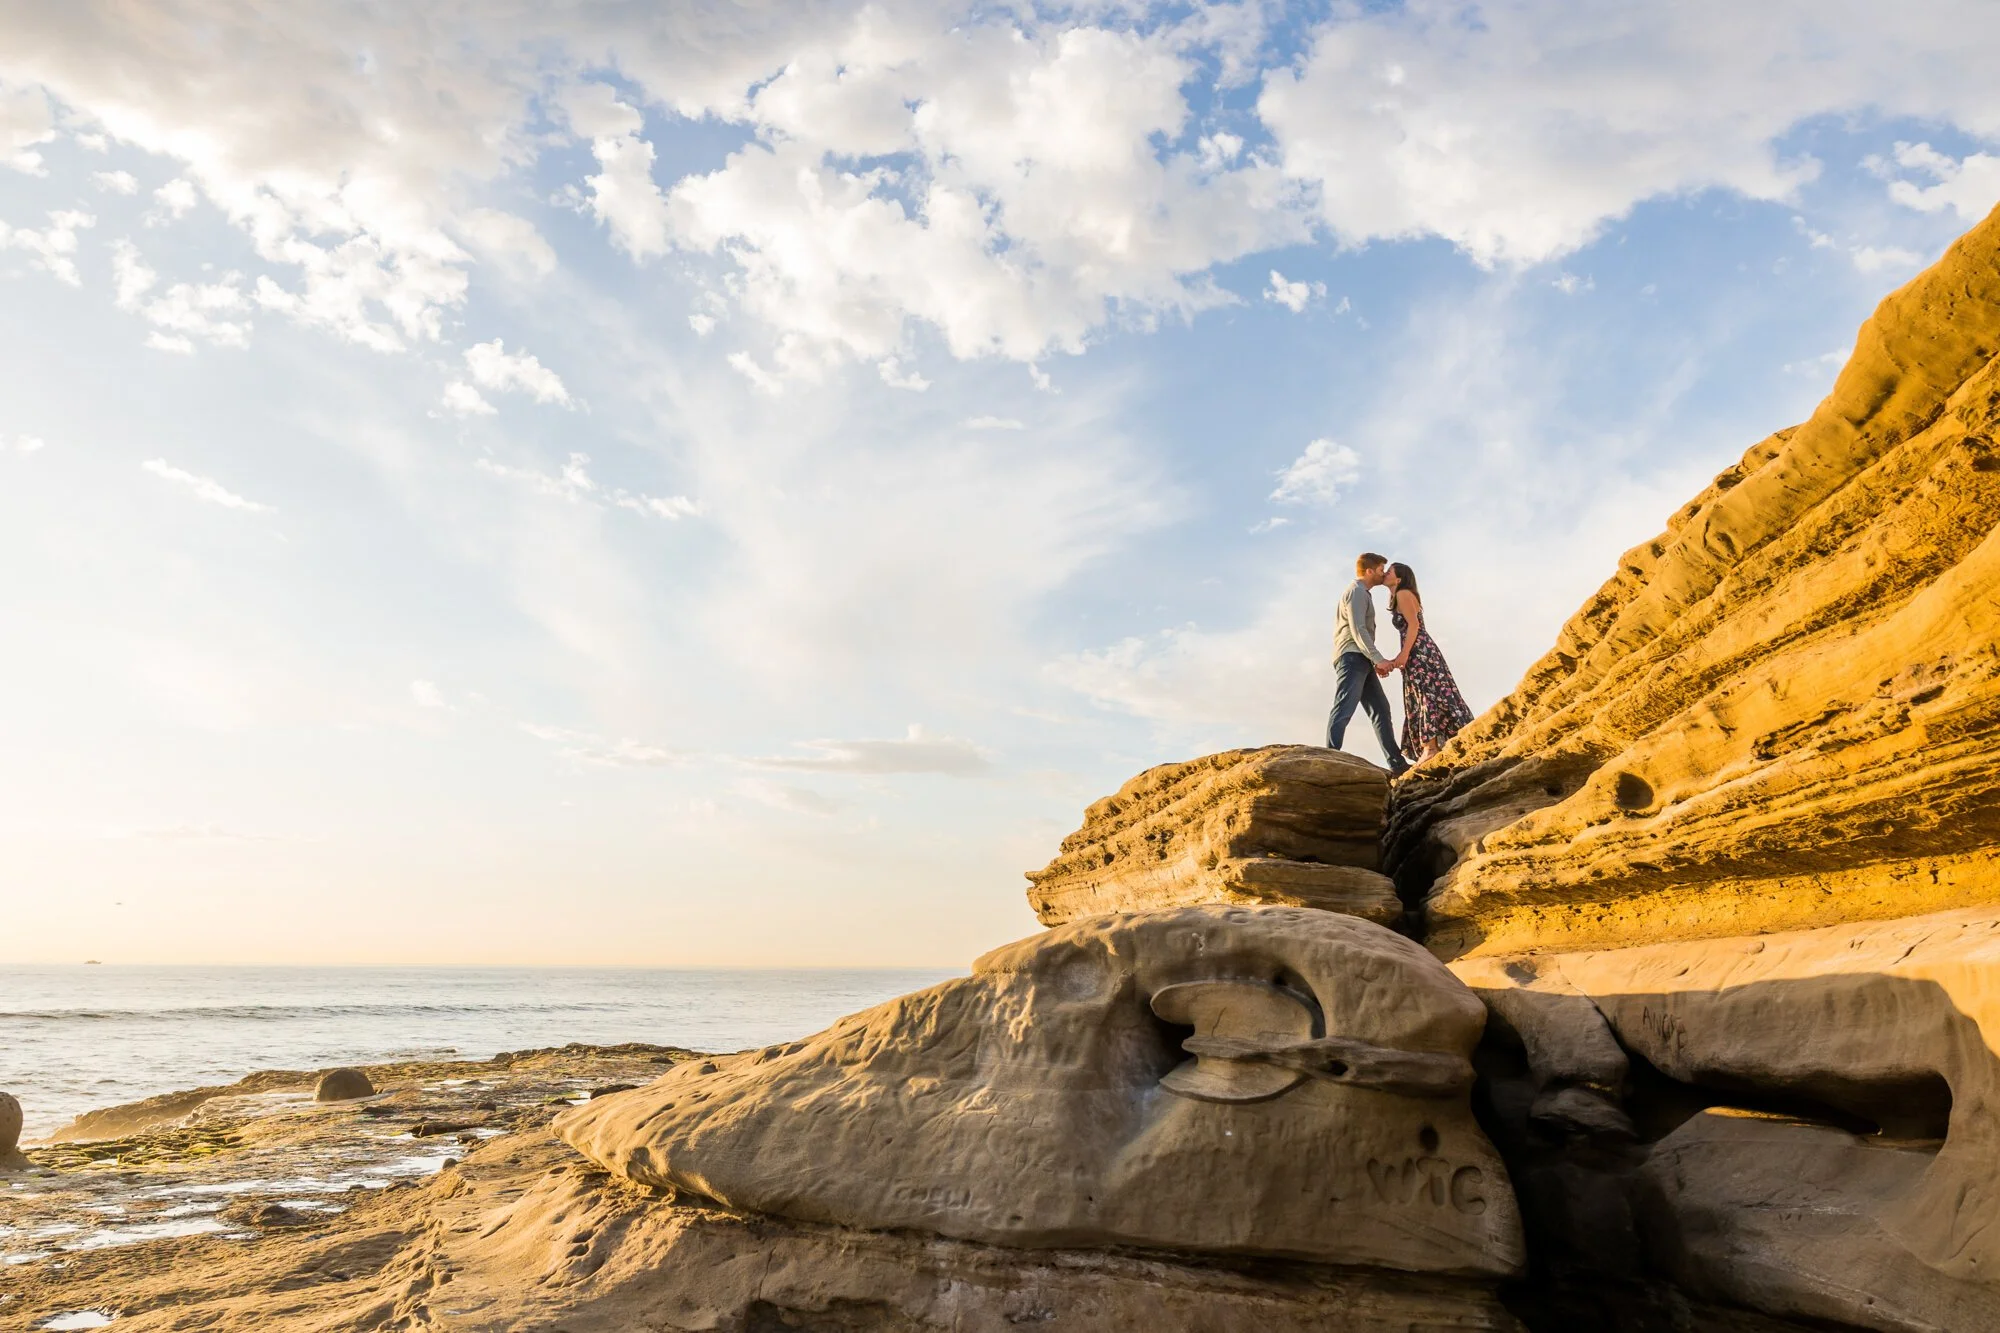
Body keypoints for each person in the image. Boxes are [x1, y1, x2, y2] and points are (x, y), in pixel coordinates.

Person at [1378, 561, 1474, 763]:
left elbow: (1414, 625)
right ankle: (1432, 745)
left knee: (1424, 693)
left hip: (1420, 651)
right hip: (1418, 649)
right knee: (1426, 693)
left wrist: (1403, 655)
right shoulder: (1398, 595)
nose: (1385, 574)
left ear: (1399, 578)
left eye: (1389, 572)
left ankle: (1430, 747)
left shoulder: (1403, 593)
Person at [1326, 552, 1408, 775]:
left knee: (1380, 709)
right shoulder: (1357, 593)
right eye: (1382, 569)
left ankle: (1397, 765)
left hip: (1361, 658)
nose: (1384, 573)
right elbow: (1358, 630)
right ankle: (1330, 755)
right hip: (1352, 657)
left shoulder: (1364, 594)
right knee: (1345, 705)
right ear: (1370, 571)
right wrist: (1378, 659)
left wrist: (1373, 661)